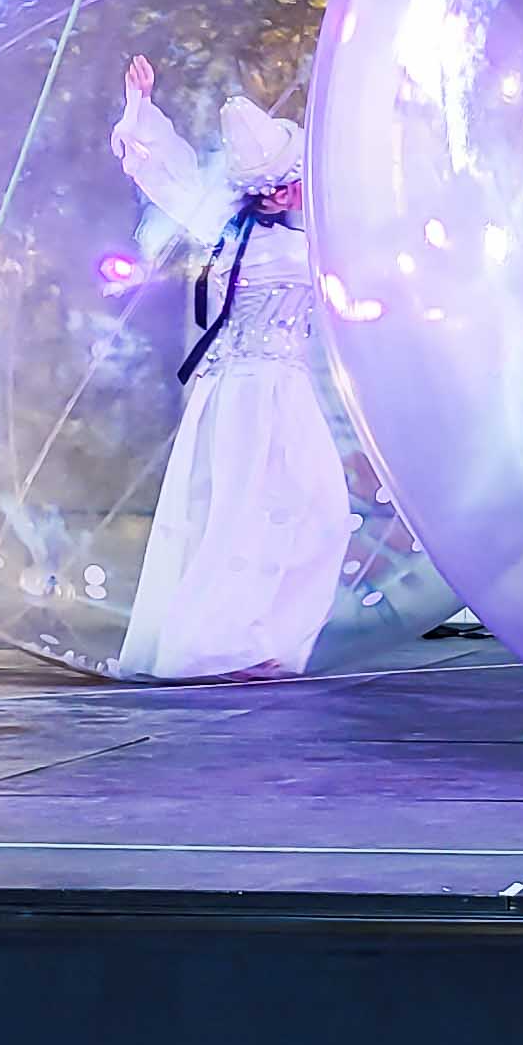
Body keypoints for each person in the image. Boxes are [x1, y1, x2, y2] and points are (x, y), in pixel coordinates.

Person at [107, 56, 359, 680]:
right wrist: (140, 110)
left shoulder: (263, 230)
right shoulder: (278, 245)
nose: (295, 190)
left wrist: (143, 111)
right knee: (245, 510)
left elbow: (169, 172)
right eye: (286, 182)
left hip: (271, 387)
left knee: (309, 510)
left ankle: (252, 638)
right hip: (251, 389)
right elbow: (167, 175)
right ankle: (220, 646)